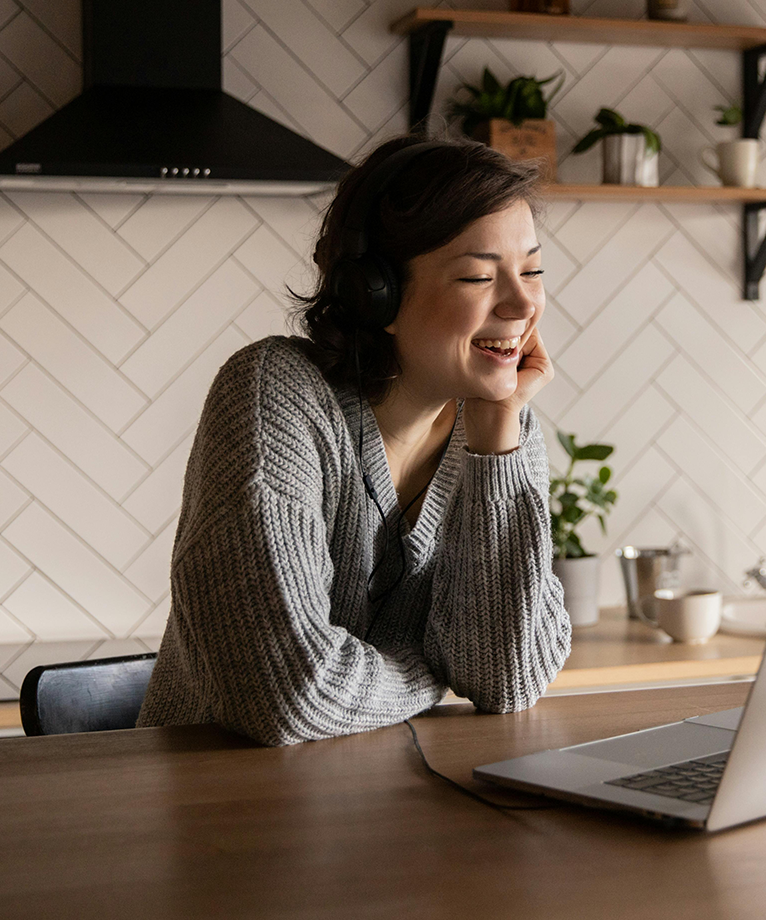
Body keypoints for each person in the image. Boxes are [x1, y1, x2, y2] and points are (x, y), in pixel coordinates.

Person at [136, 136, 572, 746]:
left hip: (386, 809)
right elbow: (288, 694)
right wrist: (429, 670)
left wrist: (498, 443)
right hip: (220, 811)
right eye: (478, 276)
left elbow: (507, 679)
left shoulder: (503, 432)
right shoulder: (274, 394)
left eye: (532, 269)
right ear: (377, 295)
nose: (524, 303)